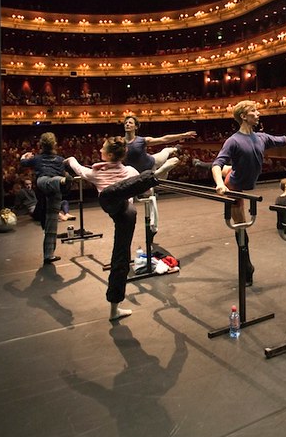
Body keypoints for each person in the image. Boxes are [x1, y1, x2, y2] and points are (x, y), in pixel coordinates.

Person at [212, 100, 286, 285]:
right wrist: (219, 184)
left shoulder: (261, 137)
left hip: (241, 176)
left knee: (231, 168)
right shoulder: (233, 141)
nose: (258, 114)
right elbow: (216, 164)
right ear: (243, 116)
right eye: (254, 111)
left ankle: (224, 169)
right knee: (241, 228)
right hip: (234, 186)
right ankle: (247, 267)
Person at [65, 137, 179, 321]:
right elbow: (144, 189)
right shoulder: (120, 171)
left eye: (102, 148)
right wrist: (70, 160)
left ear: (109, 155)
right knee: (113, 193)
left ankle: (156, 174)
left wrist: (69, 159)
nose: (99, 150)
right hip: (118, 206)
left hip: (124, 213)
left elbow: (79, 169)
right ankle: (155, 175)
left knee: (120, 256)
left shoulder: (117, 172)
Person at [20, 132, 69, 265]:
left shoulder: (37, 158)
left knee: (42, 180)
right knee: (51, 225)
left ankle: (49, 255)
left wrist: (25, 155)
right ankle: (49, 255)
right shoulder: (59, 160)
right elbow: (64, 171)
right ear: (55, 144)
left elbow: (23, 162)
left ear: (41, 145)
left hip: (45, 192)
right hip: (55, 191)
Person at [121, 115, 196, 173]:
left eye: (130, 123)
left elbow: (164, 139)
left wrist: (183, 135)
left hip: (153, 162)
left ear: (136, 127)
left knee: (165, 151)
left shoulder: (142, 140)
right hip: (140, 172)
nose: (127, 124)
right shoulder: (120, 142)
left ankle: (175, 148)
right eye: (126, 123)